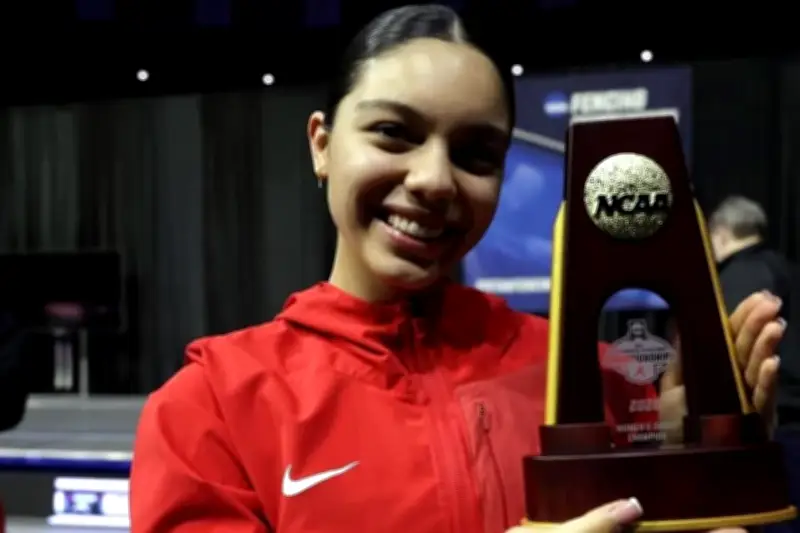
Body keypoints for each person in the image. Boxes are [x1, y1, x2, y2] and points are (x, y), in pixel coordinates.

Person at [129, 6, 784, 533]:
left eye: (476, 155)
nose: (435, 180)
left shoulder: (596, 379)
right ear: (322, 145)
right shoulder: (210, 409)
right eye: (394, 133)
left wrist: (693, 467)